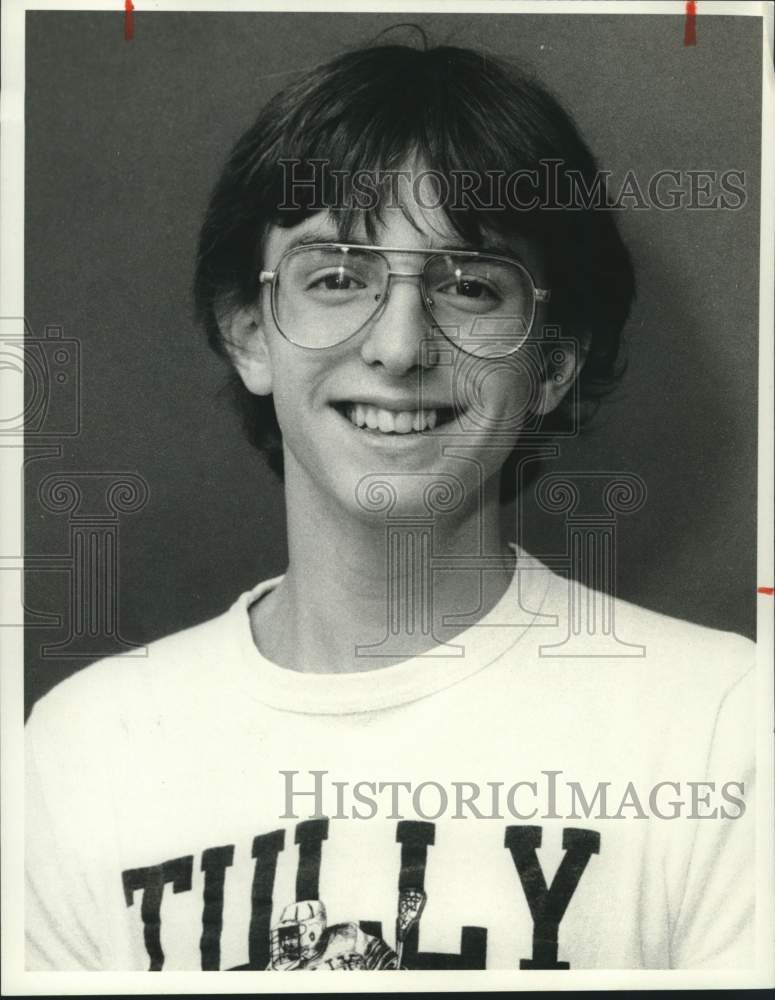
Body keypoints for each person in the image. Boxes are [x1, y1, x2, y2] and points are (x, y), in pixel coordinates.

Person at [25, 40, 755, 972]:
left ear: (553, 363)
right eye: (337, 277)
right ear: (248, 332)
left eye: (468, 286)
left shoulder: (716, 726)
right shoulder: (82, 752)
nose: (400, 345)